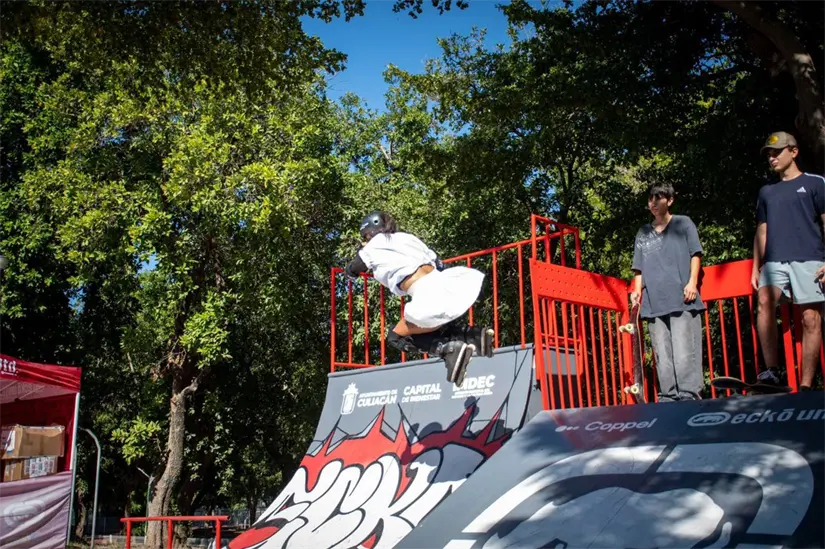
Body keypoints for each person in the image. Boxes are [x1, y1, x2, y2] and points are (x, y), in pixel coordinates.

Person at [344, 210, 494, 386]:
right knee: (433, 324)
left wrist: (349, 272)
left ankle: (448, 350)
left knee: (396, 336)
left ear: (370, 233)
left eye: (366, 237)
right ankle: (475, 336)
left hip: (424, 291)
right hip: (445, 283)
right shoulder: (408, 238)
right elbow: (439, 262)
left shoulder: (373, 245)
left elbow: (356, 266)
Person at [751, 131, 825, 391]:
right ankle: (772, 373)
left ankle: (806, 386)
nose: (771, 158)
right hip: (775, 261)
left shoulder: (816, 183)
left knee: (810, 319)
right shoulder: (767, 192)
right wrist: (755, 266)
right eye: (768, 154)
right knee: (764, 300)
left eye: (777, 152)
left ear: (794, 152)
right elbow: (762, 230)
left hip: (810, 258)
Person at [630, 182, 706, 401]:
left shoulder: (683, 223)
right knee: (661, 356)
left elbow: (695, 254)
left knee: (684, 352)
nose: (653, 203)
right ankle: (667, 399)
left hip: (682, 299)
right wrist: (636, 292)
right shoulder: (643, 232)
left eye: (658, 198)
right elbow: (638, 268)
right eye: (650, 199)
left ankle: (689, 398)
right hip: (653, 303)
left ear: (670, 200)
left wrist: (692, 282)